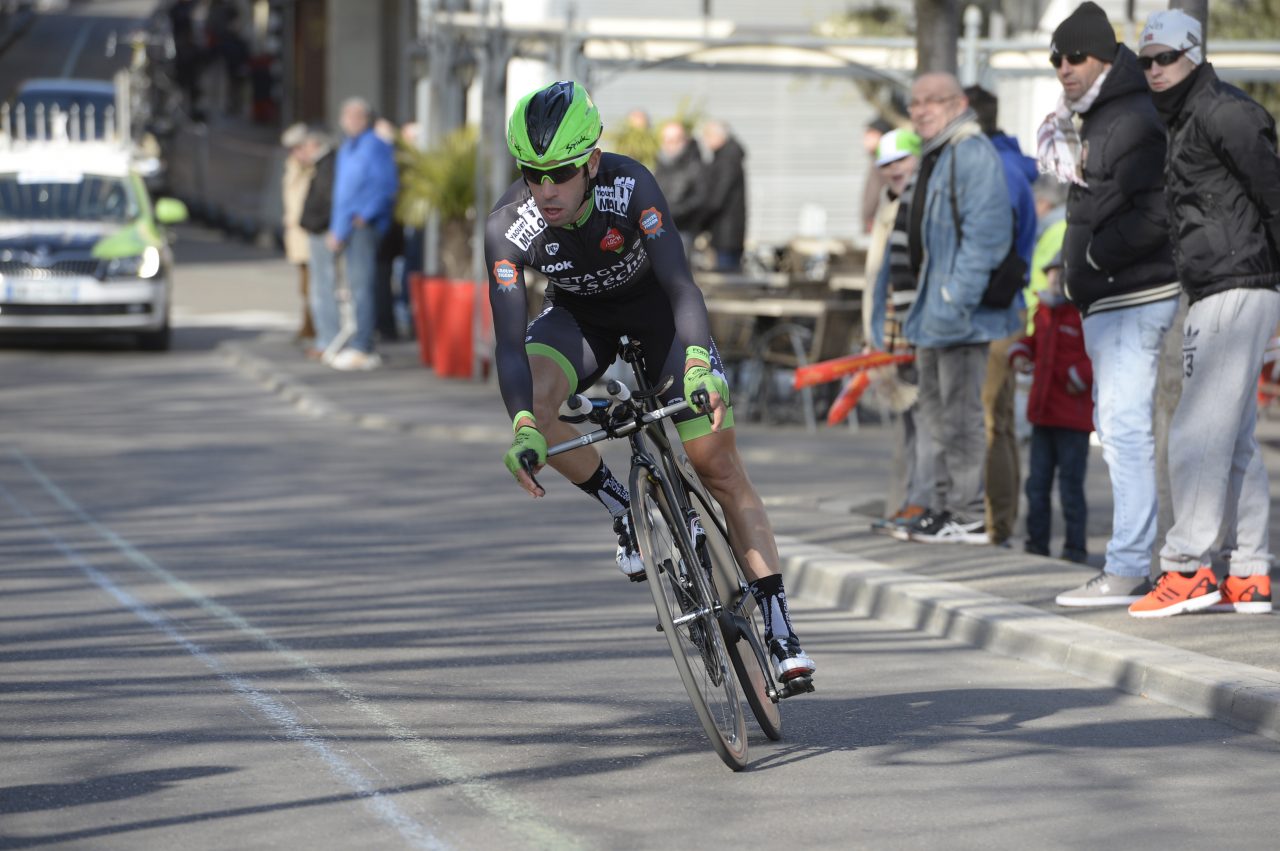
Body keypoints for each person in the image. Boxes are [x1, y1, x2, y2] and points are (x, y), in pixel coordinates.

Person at [486, 81, 814, 682]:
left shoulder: (629, 184)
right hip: (578, 321)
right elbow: (508, 341)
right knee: (535, 400)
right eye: (532, 173)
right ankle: (622, 508)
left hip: (659, 316)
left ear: (589, 160)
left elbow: (682, 284)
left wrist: (695, 366)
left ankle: (778, 618)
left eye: (559, 171)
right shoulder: (509, 228)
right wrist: (525, 426)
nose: (545, 188)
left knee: (716, 464)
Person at [1127, 10, 1280, 618]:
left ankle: (1188, 567)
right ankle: (1249, 573)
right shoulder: (1186, 117)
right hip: (1222, 285)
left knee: (1194, 431)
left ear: (1193, 53)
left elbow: (1274, 195)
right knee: (1234, 438)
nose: (1156, 70)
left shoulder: (1224, 112)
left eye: (1166, 58)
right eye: (1146, 61)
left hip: (1236, 284)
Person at [1038, 2, 1180, 607]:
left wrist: (1095, 257)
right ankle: (1149, 563)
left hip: (1132, 294)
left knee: (1124, 430)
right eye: (1056, 59)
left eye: (1076, 57)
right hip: (1109, 298)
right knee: (1121, 429)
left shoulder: (1129, 117)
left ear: (1104, 56)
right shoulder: (1096, 114)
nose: (1065, 68)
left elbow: (1157, 209)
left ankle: (1127, 566)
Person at [965, 85, 1038, 547]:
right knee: (1001, 421)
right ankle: (999, 522)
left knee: (992, 421)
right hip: (1007, 307)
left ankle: (995, 526)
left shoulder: (994, 168)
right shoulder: (1010, 165)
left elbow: (991, 245)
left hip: (993, 309)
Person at [863, 129, 934, 536]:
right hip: (891, 328)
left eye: (899, 162)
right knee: (909, 422)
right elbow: (877, 278)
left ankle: (921, 503)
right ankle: (911, 502)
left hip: (915, 328)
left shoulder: (918, 203)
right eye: (885, 165)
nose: (893, 171)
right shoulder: (891, 204)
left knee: (925, 421)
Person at [1010, 253, 1093, 563]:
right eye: (1052, 275)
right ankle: (1037, 544)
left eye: (1062, 276)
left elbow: (1095, 356)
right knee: (1037, 484)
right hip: (1043, 414)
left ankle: (1074, 549)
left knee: (1070, 487)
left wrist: (1078, 376)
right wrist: (1020, 351)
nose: (1055, 282)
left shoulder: (1083, 315)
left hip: (1072, 418)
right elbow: (1034, 342)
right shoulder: (1043, 312)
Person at [327, 98, 399, 371]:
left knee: (362, 285)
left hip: (363, 226)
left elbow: (385, 186)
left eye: (353, 117)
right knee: (355, 287)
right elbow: (343, 194)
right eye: (345, 116)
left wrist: (363, 217)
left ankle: (363, 345)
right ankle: (360, 340)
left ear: (364, 119)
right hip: (348, 226)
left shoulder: (375, 146)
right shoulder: (347, 147)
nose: (347, 122)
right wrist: (337, 228)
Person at [298, 128, 337, 361]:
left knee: (323, 288)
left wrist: (315, 223)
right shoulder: (323, 165)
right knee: (319, 287)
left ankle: (328, 339)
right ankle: (325, 338)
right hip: (319, 229)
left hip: (322, 231)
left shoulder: (328, 165)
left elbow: (326, 200)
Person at [281, 122, 317, 344]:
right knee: (304, 284)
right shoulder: (292, 167)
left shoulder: (313, 169)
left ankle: (312, 325)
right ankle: (307, 324)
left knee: (314, 284)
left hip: (309, 232)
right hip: (297, 235)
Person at [698, 120, 748, 273]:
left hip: (726, 231)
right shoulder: (727, 155)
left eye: (707, 137)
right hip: (727, 229)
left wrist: (700, 221)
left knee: (726, 279)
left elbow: (718, 196)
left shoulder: (727, 158)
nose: (705, 143)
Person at [652, 120, 704, 259]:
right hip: (658, 228)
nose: (671, 145)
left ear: (684, 141)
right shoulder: (659, 165)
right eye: (667, 140)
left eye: (676, 140)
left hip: (682, 230)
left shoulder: (694, 165)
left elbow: (699, 199)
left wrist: (672, 213)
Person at [860, 117, 894, 235]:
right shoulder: (876, 160)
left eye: (870, 134)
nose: (865, 139)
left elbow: (875, 194)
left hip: (881, 223)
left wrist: (870, 217)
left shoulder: (886, 162)